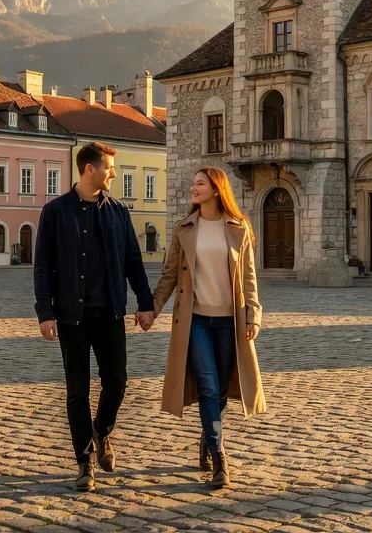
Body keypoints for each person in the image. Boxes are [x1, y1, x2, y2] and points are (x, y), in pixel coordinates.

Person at [34, 141, 157, 492]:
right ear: (90, 168)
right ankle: (84, 463)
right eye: (109, 167)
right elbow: (42, 266)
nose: (114, 174)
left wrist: (145, 303)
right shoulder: (55, 212)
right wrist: (45, 311)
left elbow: (133, 260)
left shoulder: (118, 211)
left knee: (117, 381)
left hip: (110, 313)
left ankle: (102, 432)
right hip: (71, 316)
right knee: (77, 392)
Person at [150, 167, 266, 489]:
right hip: (196, 320)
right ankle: (219, 457)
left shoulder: (238, 228)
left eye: (200, 183)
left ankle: (208, 434)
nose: (193, 188)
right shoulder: (184, 228)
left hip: (229, 321)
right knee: (208, 388)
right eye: (193, 184)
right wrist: (154, 307)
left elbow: (249, 278)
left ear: (217, 189)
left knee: (223, 390)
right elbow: (169, 275)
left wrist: (252, 315)